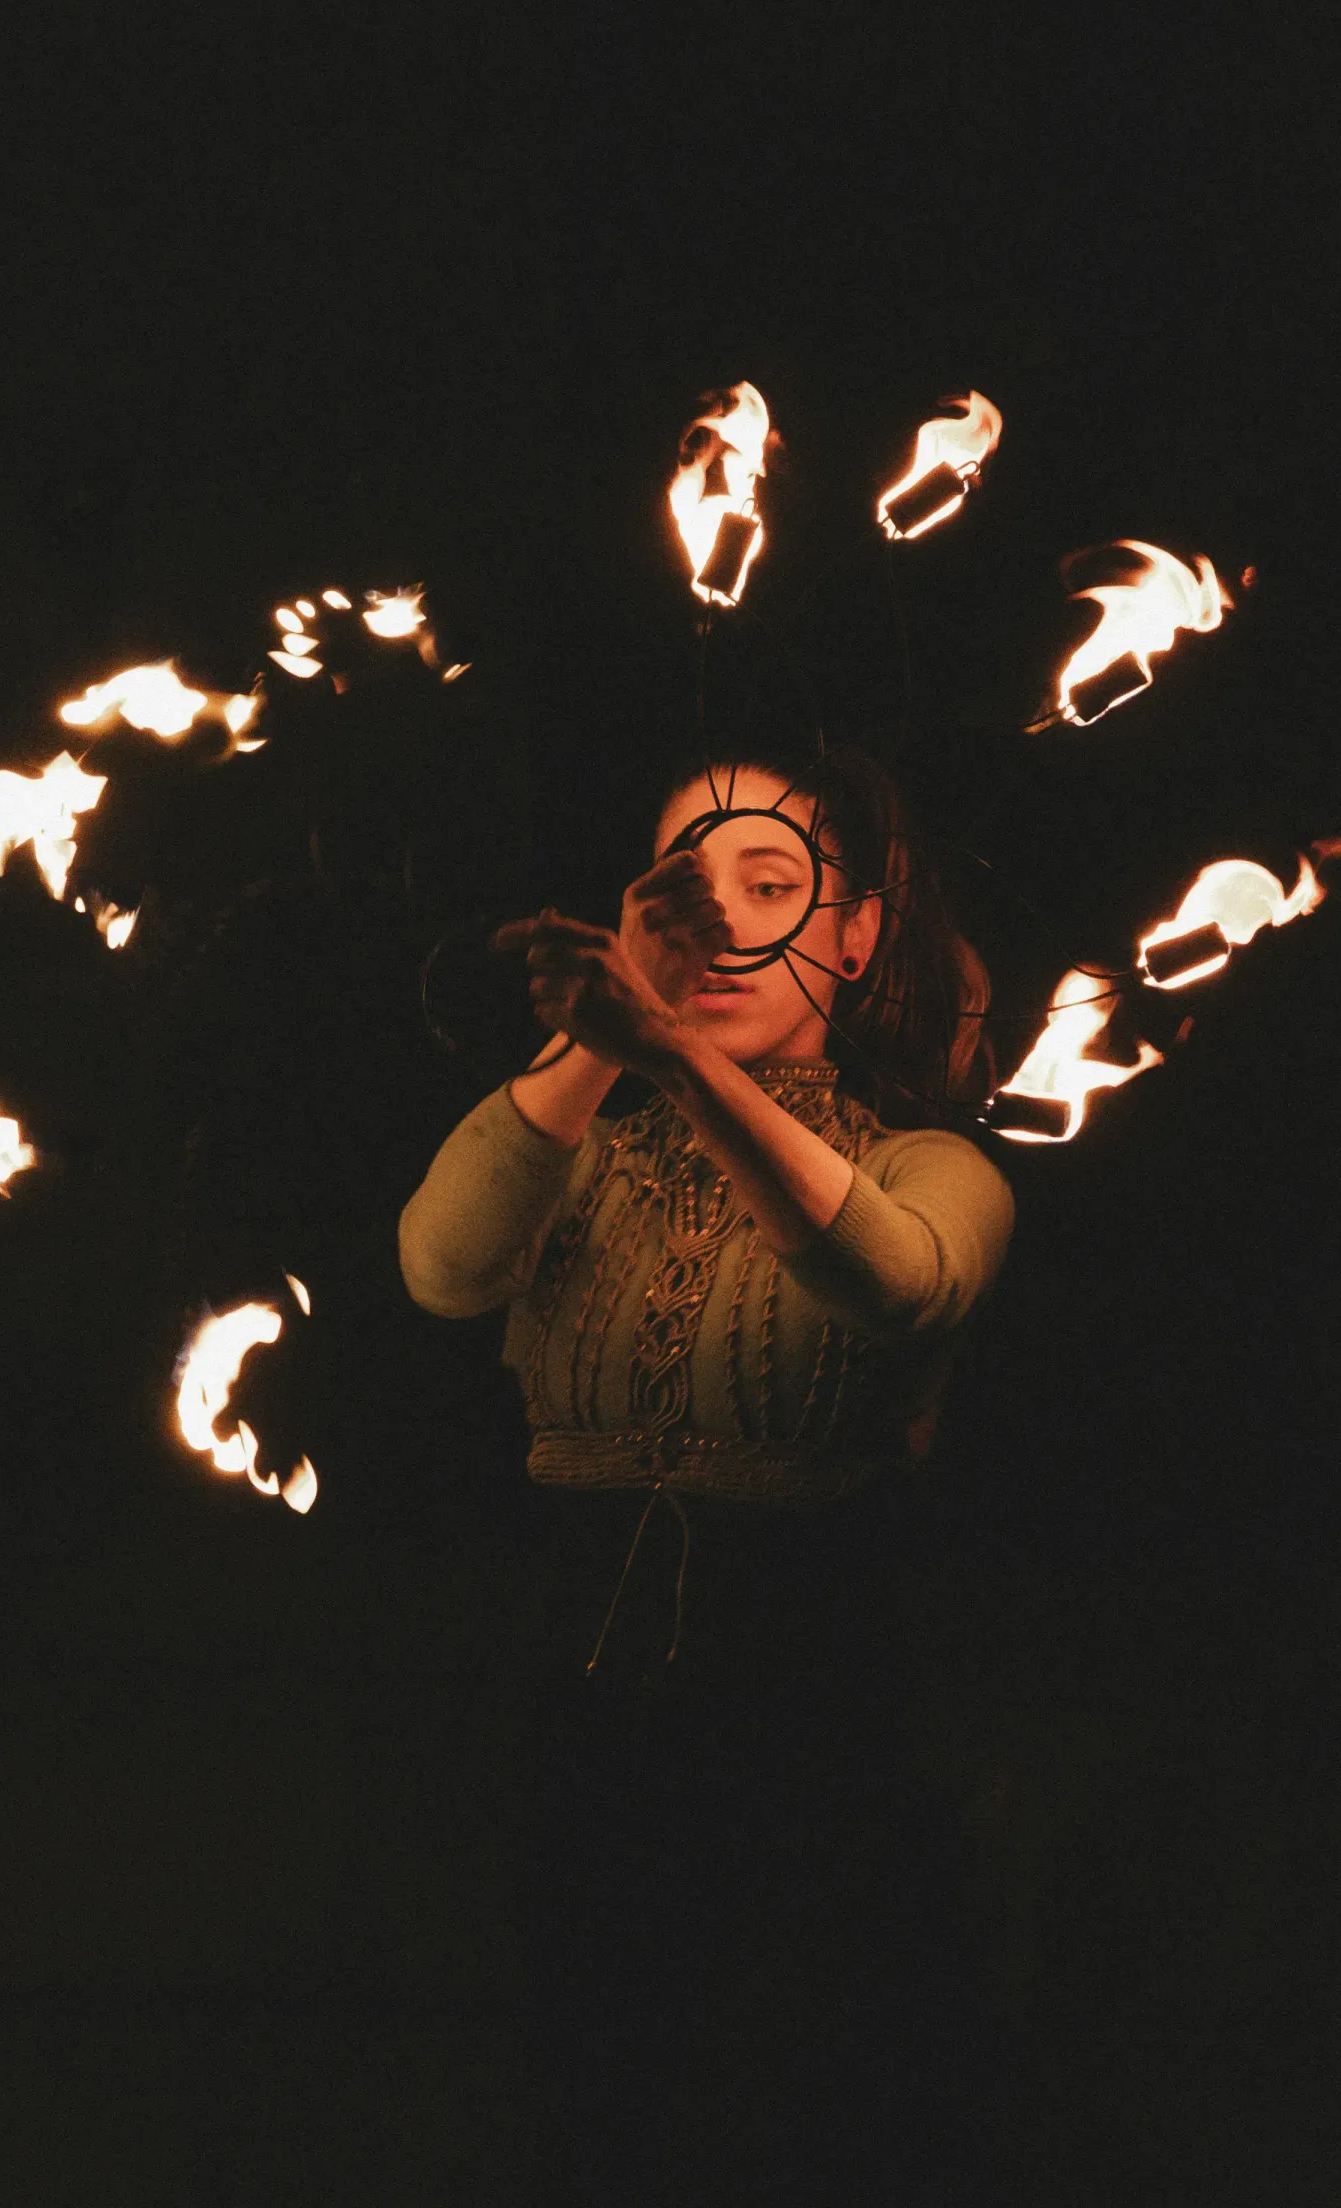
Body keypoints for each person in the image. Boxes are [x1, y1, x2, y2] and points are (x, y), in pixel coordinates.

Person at [398, 747, 1016, 2195]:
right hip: (567, 1712)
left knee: (816, 2112)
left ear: (855, 936)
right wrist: (607, 1032)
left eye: (775, 886)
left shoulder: (933, 1164)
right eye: (690, 889)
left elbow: (900, 1280)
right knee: (587, 2111)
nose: (728, 925)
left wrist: (670, 1051)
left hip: (821, 1725)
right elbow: (441, 1267)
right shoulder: (583, 1153)